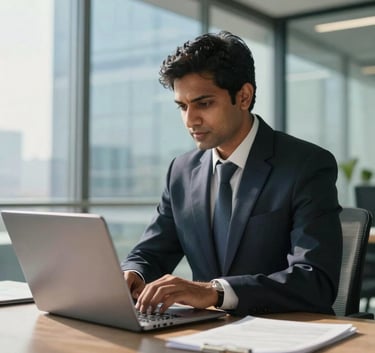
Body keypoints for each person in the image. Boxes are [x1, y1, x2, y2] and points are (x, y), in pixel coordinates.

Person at [121, 30, 342, 317]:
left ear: (244, 96)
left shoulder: (306, 165)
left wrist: (215, 292)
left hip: (282, 332)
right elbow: (151, 252)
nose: (190, 120)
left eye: (204, 103)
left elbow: (316, 280)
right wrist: (133, 274)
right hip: (206, 333)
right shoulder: (181, 171)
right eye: (182, 106)